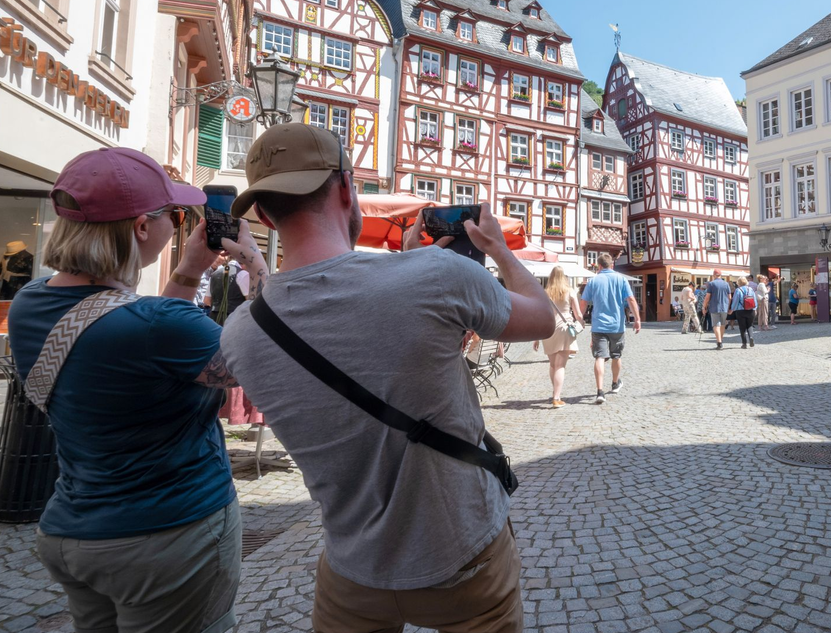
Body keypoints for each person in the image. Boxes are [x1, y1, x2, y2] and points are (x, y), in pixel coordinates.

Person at [219, 124, 555, 632]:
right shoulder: (437, 274)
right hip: (464, 556)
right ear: (347, 188)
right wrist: (498, 250)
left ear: (263, 213)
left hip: (355, 571)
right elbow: (543, 318)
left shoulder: (241, 333)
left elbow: (340, 315)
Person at [8, 148, 267, 633]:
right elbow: (262, 359)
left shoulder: (30, 303)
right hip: (168, 537)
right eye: (173, 214)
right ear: (142, 228)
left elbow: (144, 345)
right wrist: (253, 261)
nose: (179, 223)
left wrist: (188, 272)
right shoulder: (157, 323)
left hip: (74, 531)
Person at [581, 253, 641, 405]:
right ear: (612, 265)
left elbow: (584, 302)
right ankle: (615, 383)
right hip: (617, 325)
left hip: (598, 325)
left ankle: (600, 392)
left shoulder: (593, 281)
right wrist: (637, 319)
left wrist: (580, 318)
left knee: (599, 357)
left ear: (599, 266)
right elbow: (631, 299)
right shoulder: (621, 279)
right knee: (616, 355)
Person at [533, 265, 583, 407]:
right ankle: (556, 397)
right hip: (564, 329)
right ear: (564, 277)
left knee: (553, 365)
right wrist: (581, 323)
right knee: (560, 366)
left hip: (548, 330)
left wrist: (536, 337)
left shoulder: (545, 293)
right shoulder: (570, 291)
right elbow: (578, 314)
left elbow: (539, 315)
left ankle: (554, 392)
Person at [701, 269, 732, 351]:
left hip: (714, 307)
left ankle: (719, 342)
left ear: (714, 275)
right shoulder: (726, 284)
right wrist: (728, 307)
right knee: (722, 325)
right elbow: (729, 297)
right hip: (724, 307)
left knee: (716, 325)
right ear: (721, 275)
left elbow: (707, 297)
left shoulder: (711, 284)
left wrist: (704, 307)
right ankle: (720, 341)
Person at [729, 276, 758, 348]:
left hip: (740, 310)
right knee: (750, 325)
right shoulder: (750, 289)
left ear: (739, 282)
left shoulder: (738, 290)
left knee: (742, 327)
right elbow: (754, 300)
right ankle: (751, 337)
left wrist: (732, 309)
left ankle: (744, 343)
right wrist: (755, 308)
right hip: (750, 310)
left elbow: (735, 301)